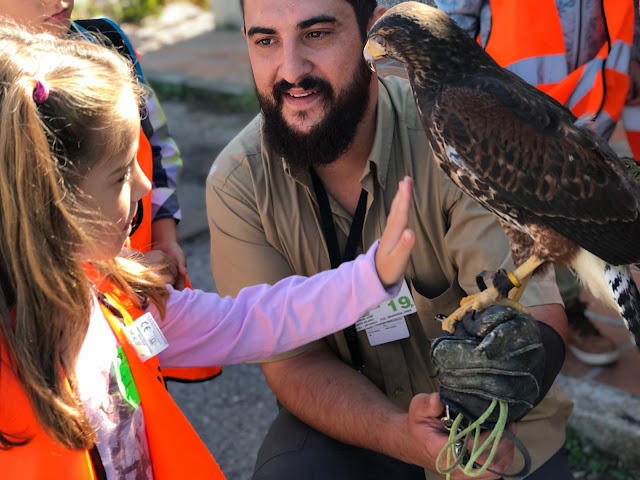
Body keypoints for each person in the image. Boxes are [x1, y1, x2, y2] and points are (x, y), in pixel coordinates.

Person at [0, 23, 417, 479]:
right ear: (48, 198)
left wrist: (370, 275)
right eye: (121, 174)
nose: (144, 186)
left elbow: (245, 322)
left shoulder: (120, 302)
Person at [206, 0, 574, 478]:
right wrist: (398, 433)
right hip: (355, 422)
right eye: (266, 41)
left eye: (317, 34)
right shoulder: (238, 182)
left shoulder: (462, 134)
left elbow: (537, 311)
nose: (291, 69)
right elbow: (292, 363)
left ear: (374, 29)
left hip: (495, 431)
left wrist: (500, 400)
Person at [434, 0, 640, 366]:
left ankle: (567, 309)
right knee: (535, 231)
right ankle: (553, 314)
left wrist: (635, 52)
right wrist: (458, 98)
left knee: (574, 220)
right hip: (508, 115)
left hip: (589, 101)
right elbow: (454, 22)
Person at [0, 0, 190, 289]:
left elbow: (157, 144)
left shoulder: (109, 42)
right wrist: (123, 272)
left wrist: (164, 239)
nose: (59, 1)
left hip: (151, 277)